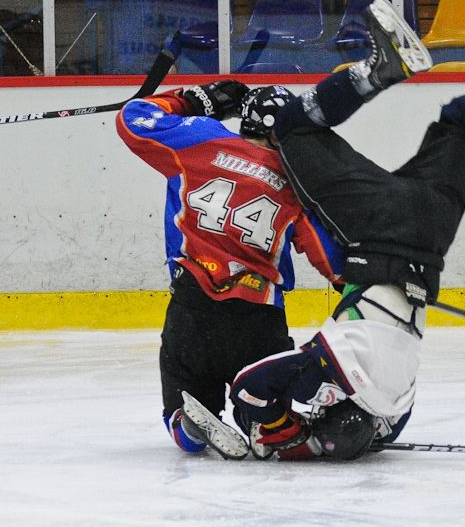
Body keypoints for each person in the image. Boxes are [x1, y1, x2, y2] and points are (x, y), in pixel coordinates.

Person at [178, 0, 465, 460]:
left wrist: (297, 438)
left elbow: (353, 432)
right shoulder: (338, 378)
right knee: (310, 124)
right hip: (382, 229)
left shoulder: (395, 410)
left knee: (449, 123)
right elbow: (249, 391)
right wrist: (282, 435)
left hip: (431, 232)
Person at [115, 73, 343, 454]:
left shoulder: (200, 137)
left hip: (193, 304)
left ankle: (187, 428)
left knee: (182, 402)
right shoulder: (295, 180)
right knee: (266, 402)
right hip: (260, 318)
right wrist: (356, 282)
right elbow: (327, 256)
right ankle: (266, 424)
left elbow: (133, 118)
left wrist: (193, 100)